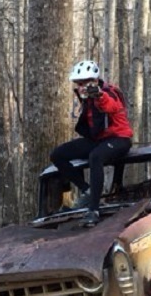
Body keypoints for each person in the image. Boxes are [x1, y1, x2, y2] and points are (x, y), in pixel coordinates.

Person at [50, 60, 133, 226]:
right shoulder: (86, 100)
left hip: (120, 139)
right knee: (57, 155)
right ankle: (87, 190)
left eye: (85, 83)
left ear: (94, 81)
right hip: (98, 139)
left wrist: (99, 95)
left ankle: (93, 209)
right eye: (78, 84)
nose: (81, 87)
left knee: (95, 157)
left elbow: (111, 106)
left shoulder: (108, 92)